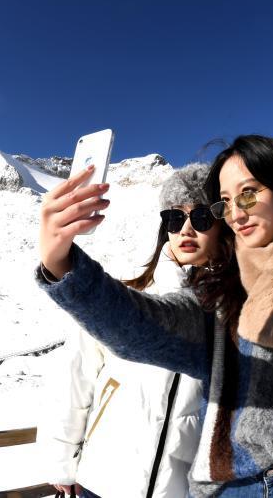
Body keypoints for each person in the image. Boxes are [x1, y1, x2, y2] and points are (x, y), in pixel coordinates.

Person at [37, 135, 273, 497]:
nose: (236, 212)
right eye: (225, 201)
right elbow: (138, 328)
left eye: (248, 193)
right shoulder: (219, 294)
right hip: (234, 489)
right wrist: (62, 262)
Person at [41, 163, 214, 498]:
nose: (186, 229)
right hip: (105, 480)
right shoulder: (126, 294)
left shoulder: (236, 309)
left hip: (180, 490)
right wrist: (61, 459)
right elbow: (75, 376)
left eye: (202, 217)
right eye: (175, 218)